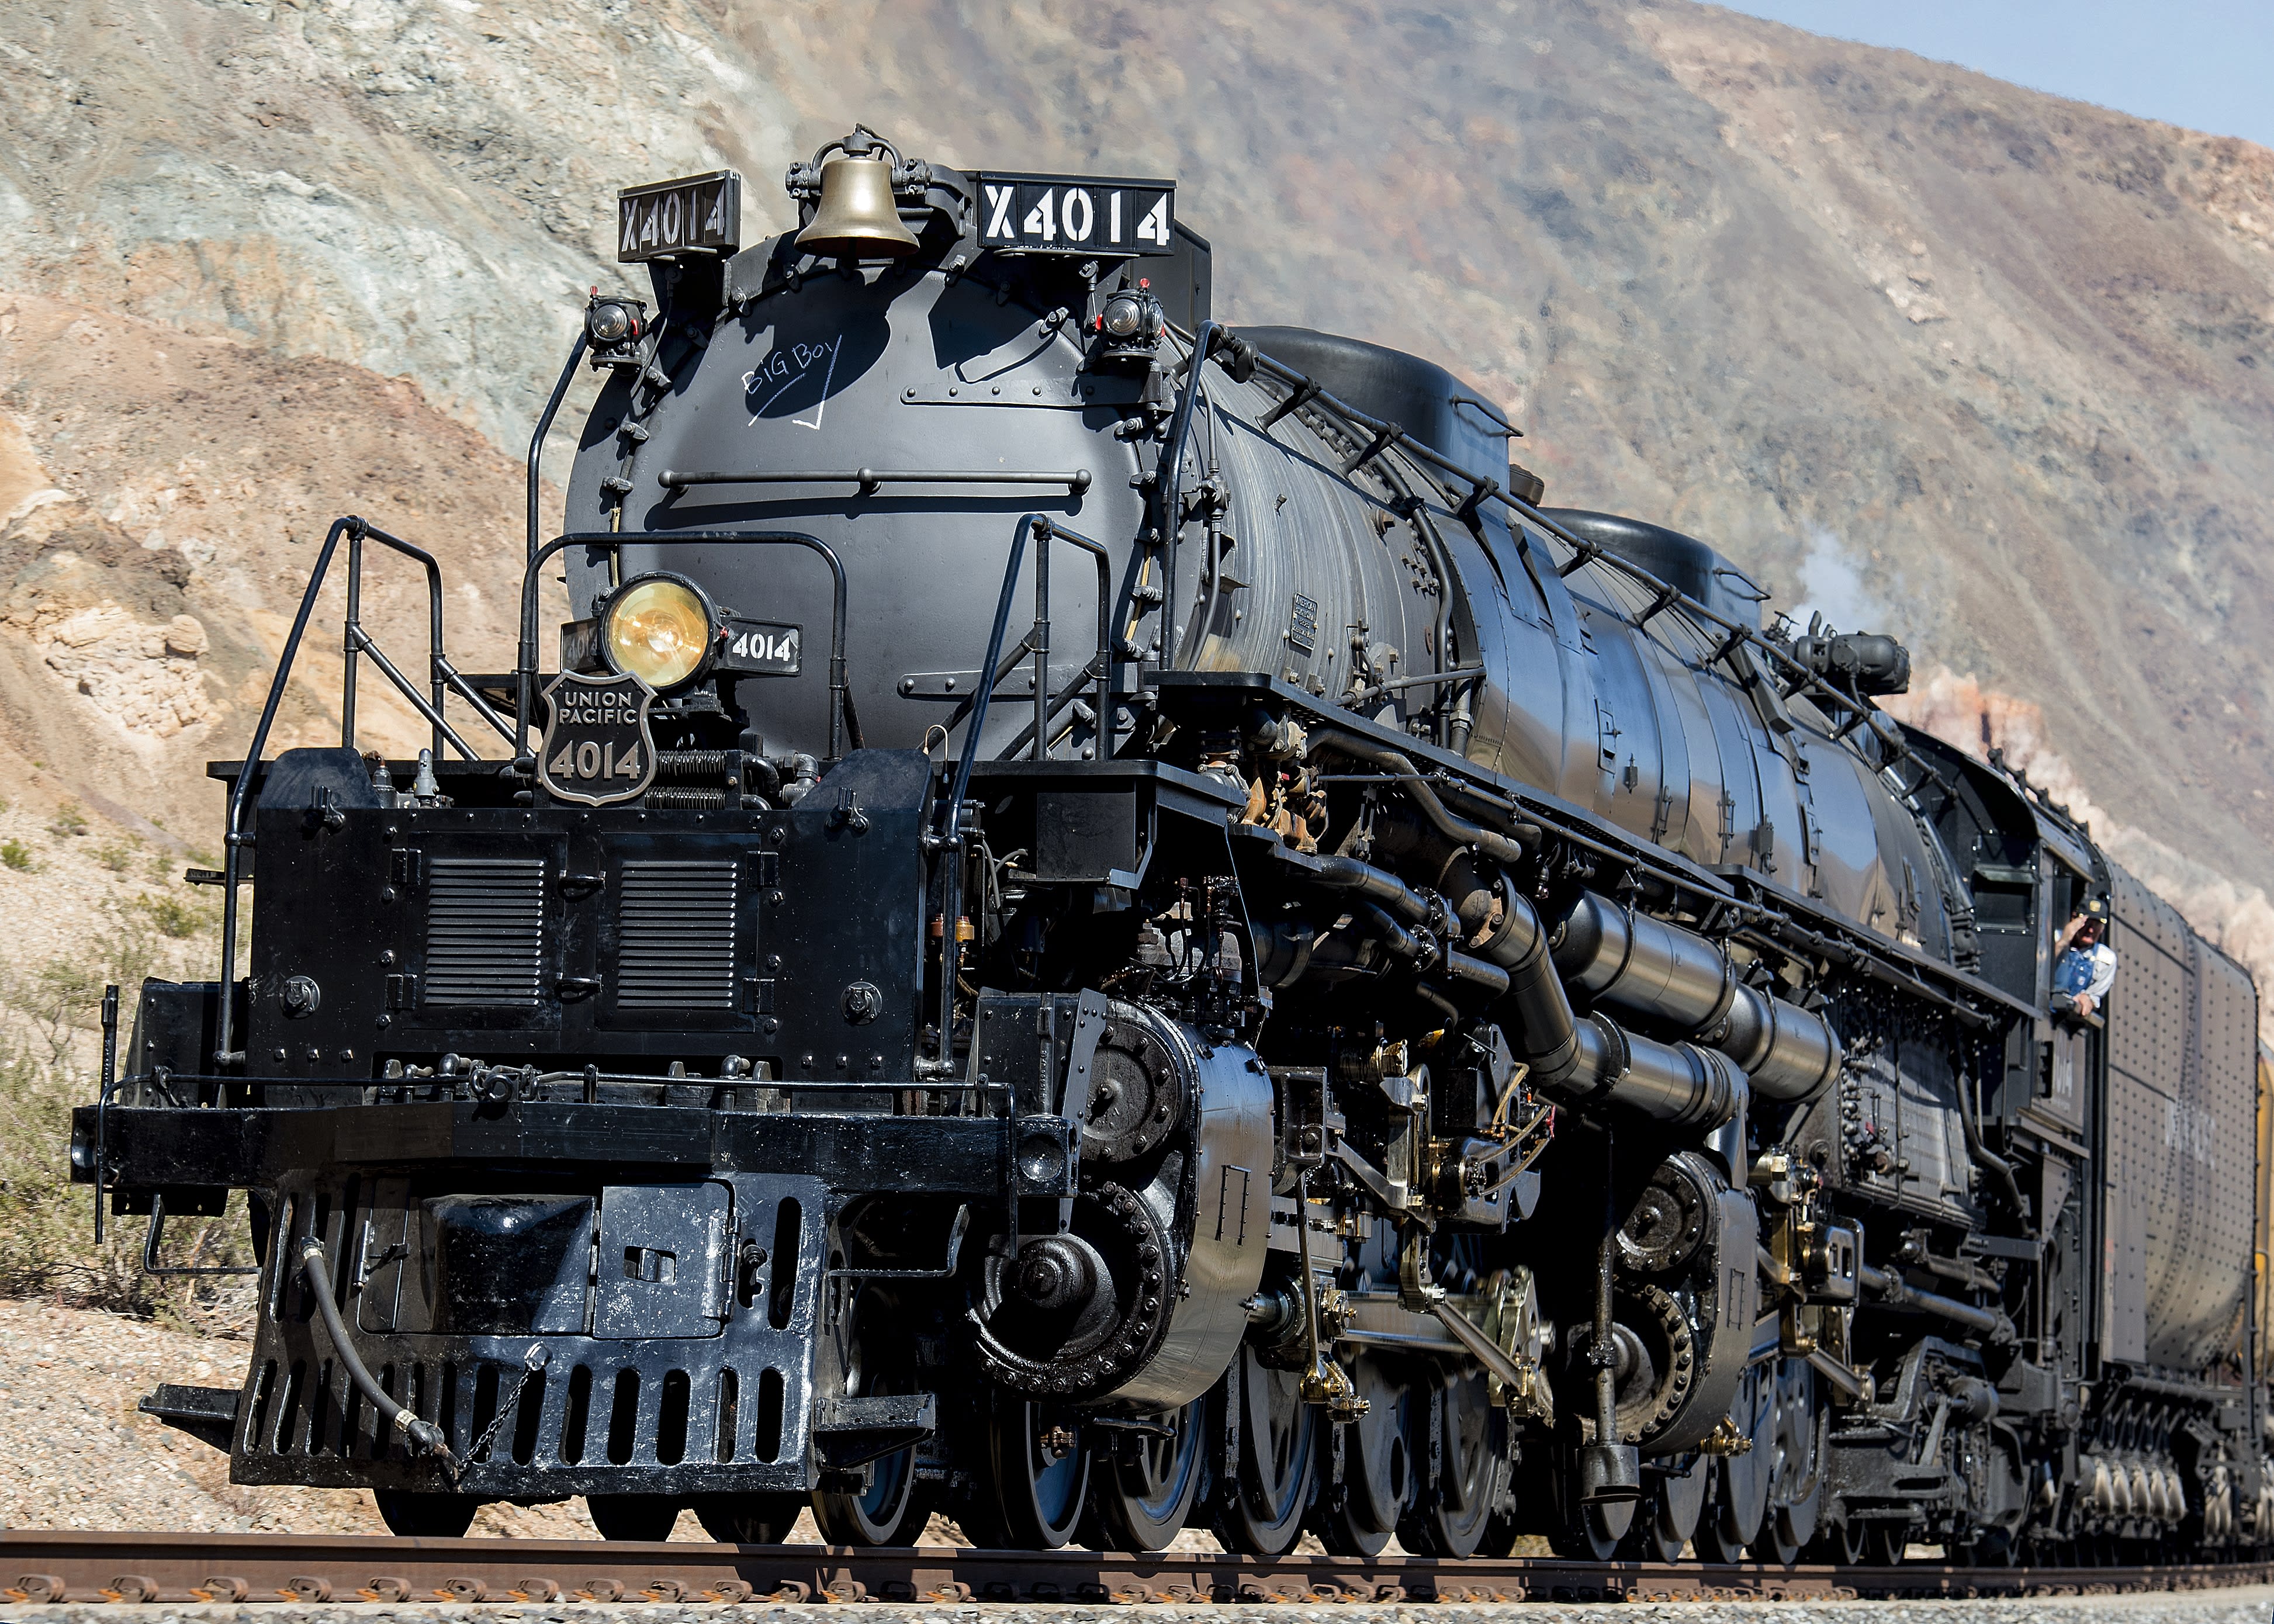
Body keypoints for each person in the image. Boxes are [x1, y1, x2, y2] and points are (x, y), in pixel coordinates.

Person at [2052, 909, 2116, 1018]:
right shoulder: (2055, 937)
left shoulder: (2106, 959)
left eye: (2097, 925)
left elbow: (2094, 997)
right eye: (2087, 923)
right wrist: (2062, 942)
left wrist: (2088, 999)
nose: (2091, 930)